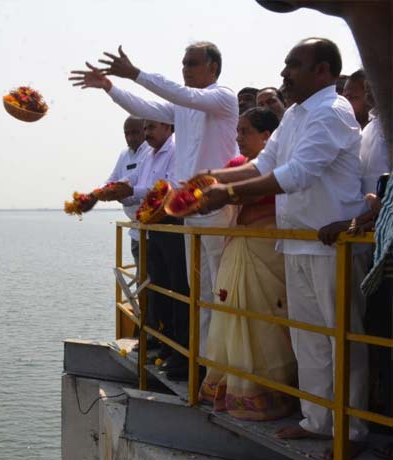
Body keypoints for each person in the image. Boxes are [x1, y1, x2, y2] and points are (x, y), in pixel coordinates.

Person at [196, 37, 368, 443]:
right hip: (296, 241)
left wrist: (231, 193)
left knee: (340, 339)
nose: (284, 73)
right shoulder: (294, 116)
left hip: (333, 246)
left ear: (323, 71)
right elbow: (265, 163)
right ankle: (317, 422)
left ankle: (351, 430)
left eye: (294, 65)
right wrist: (208, 180)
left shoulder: (332, 111)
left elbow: (299, 173)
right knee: (307, 340)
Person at [70, 42, 238, 364]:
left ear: (213, 68)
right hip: (190, 211)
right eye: (183, 63)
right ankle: (202, 366)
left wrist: (135, 73)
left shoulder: (222, 97)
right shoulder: (184, 108)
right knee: (199, 293)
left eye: (192, 63)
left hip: (216, 208)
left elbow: (181, 94)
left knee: (220, 291)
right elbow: (145, 107)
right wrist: (109, 87)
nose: (185, 69)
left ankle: (222, 365)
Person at [199, 107, 298, 421]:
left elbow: (242, 196)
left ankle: (269, 394)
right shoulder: (234, 166)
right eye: (237, 131)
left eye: (245, 132)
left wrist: (216, 191)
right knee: (232, 314)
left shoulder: (278, 167)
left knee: (264, 318)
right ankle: (232, 389)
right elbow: (220, 198)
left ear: (267, 136)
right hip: (237, 245)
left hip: (267, 248)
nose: (238, 137)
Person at [120, 120, 190, 376]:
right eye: (145, 128)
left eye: (152, 127)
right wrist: (119, 190)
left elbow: (166, 189)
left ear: (169, 128)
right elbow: (133, 181)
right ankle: (165, 343)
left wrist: (130, 190)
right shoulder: (148, 155)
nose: (147, 133)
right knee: (159, 288)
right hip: (153, 229)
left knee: (178, 290)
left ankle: (182, 352)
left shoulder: (176, 151)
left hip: (172, 227)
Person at [107, 116, 151, 272]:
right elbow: (112, 180)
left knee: (153, 281)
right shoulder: (124, 154)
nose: (131, 137)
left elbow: (142, 185)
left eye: (135, 132)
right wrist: (99, 193)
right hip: (136, 230)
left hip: (154, 230)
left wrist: (123, 192)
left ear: (144, 131)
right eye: (127, 133)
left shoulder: (150, 151)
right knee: (142, 279)